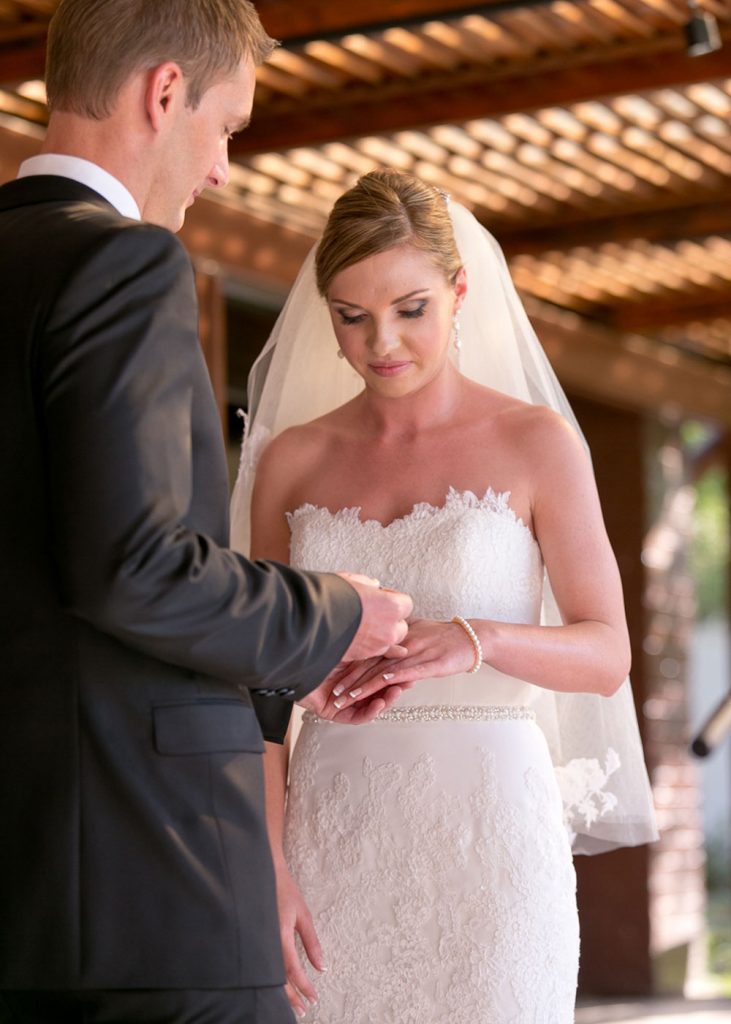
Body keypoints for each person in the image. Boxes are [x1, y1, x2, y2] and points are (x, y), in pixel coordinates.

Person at [0, 4, 413, 1022]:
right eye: (226, 126)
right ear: (165, 92)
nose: (223, 168)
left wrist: (278, 672)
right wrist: (329, 615)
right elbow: (130, 566)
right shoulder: (119, 263)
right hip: (147, 879)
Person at [232, 169, 658, 1022]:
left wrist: (477, 638)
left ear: (459, 292)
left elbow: (606, 652)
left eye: (409, 308)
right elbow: (255, 687)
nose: (380, 341)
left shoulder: (536, 444)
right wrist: (267, 871)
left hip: (493, 840)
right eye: (351, 317)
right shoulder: (292, 460)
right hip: (331, 839)